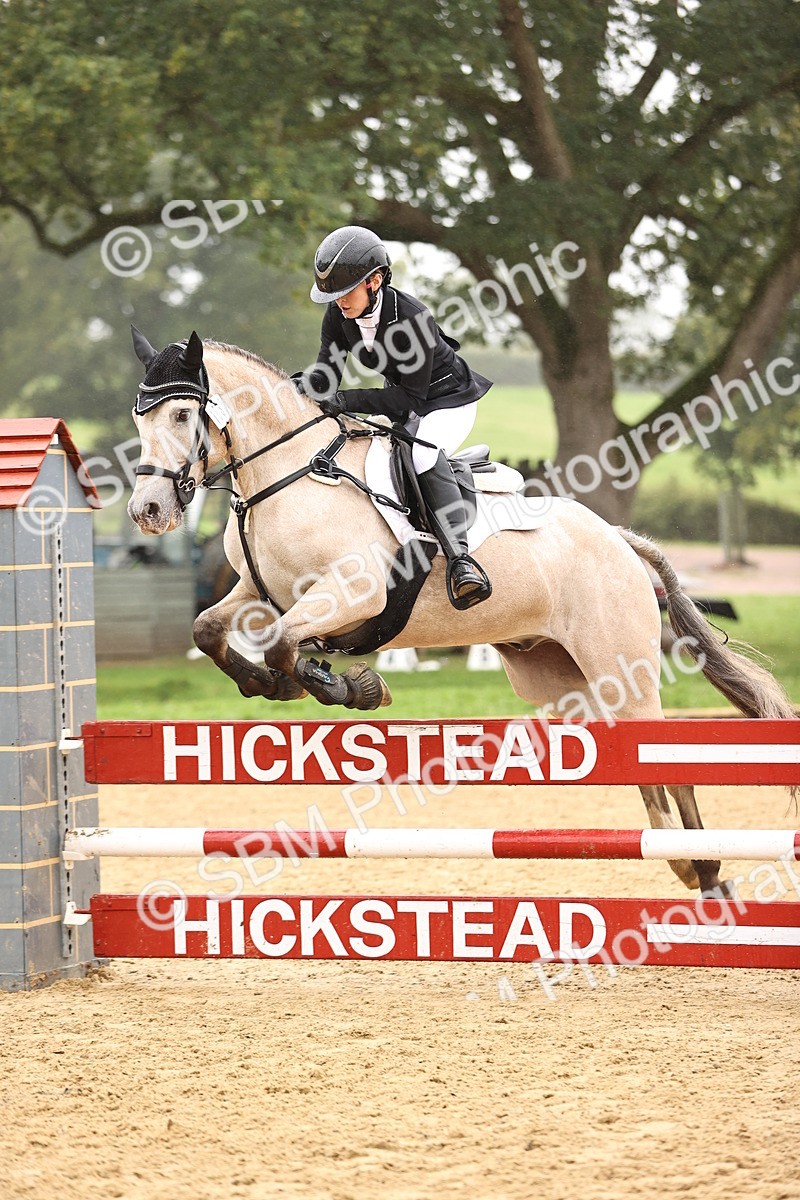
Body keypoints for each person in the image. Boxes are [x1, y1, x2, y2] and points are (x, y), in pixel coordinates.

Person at [294, 224, 493, 609]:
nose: (338, 303)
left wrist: (345, 399)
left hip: (448, 400)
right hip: (405, 396)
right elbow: (327, 375)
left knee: (419, 454)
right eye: (332, 295)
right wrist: (294, 387)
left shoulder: (412, 319)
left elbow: (408, 401)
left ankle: (461, 559)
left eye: (345, 292)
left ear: (376, 280)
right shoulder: (339, 317)